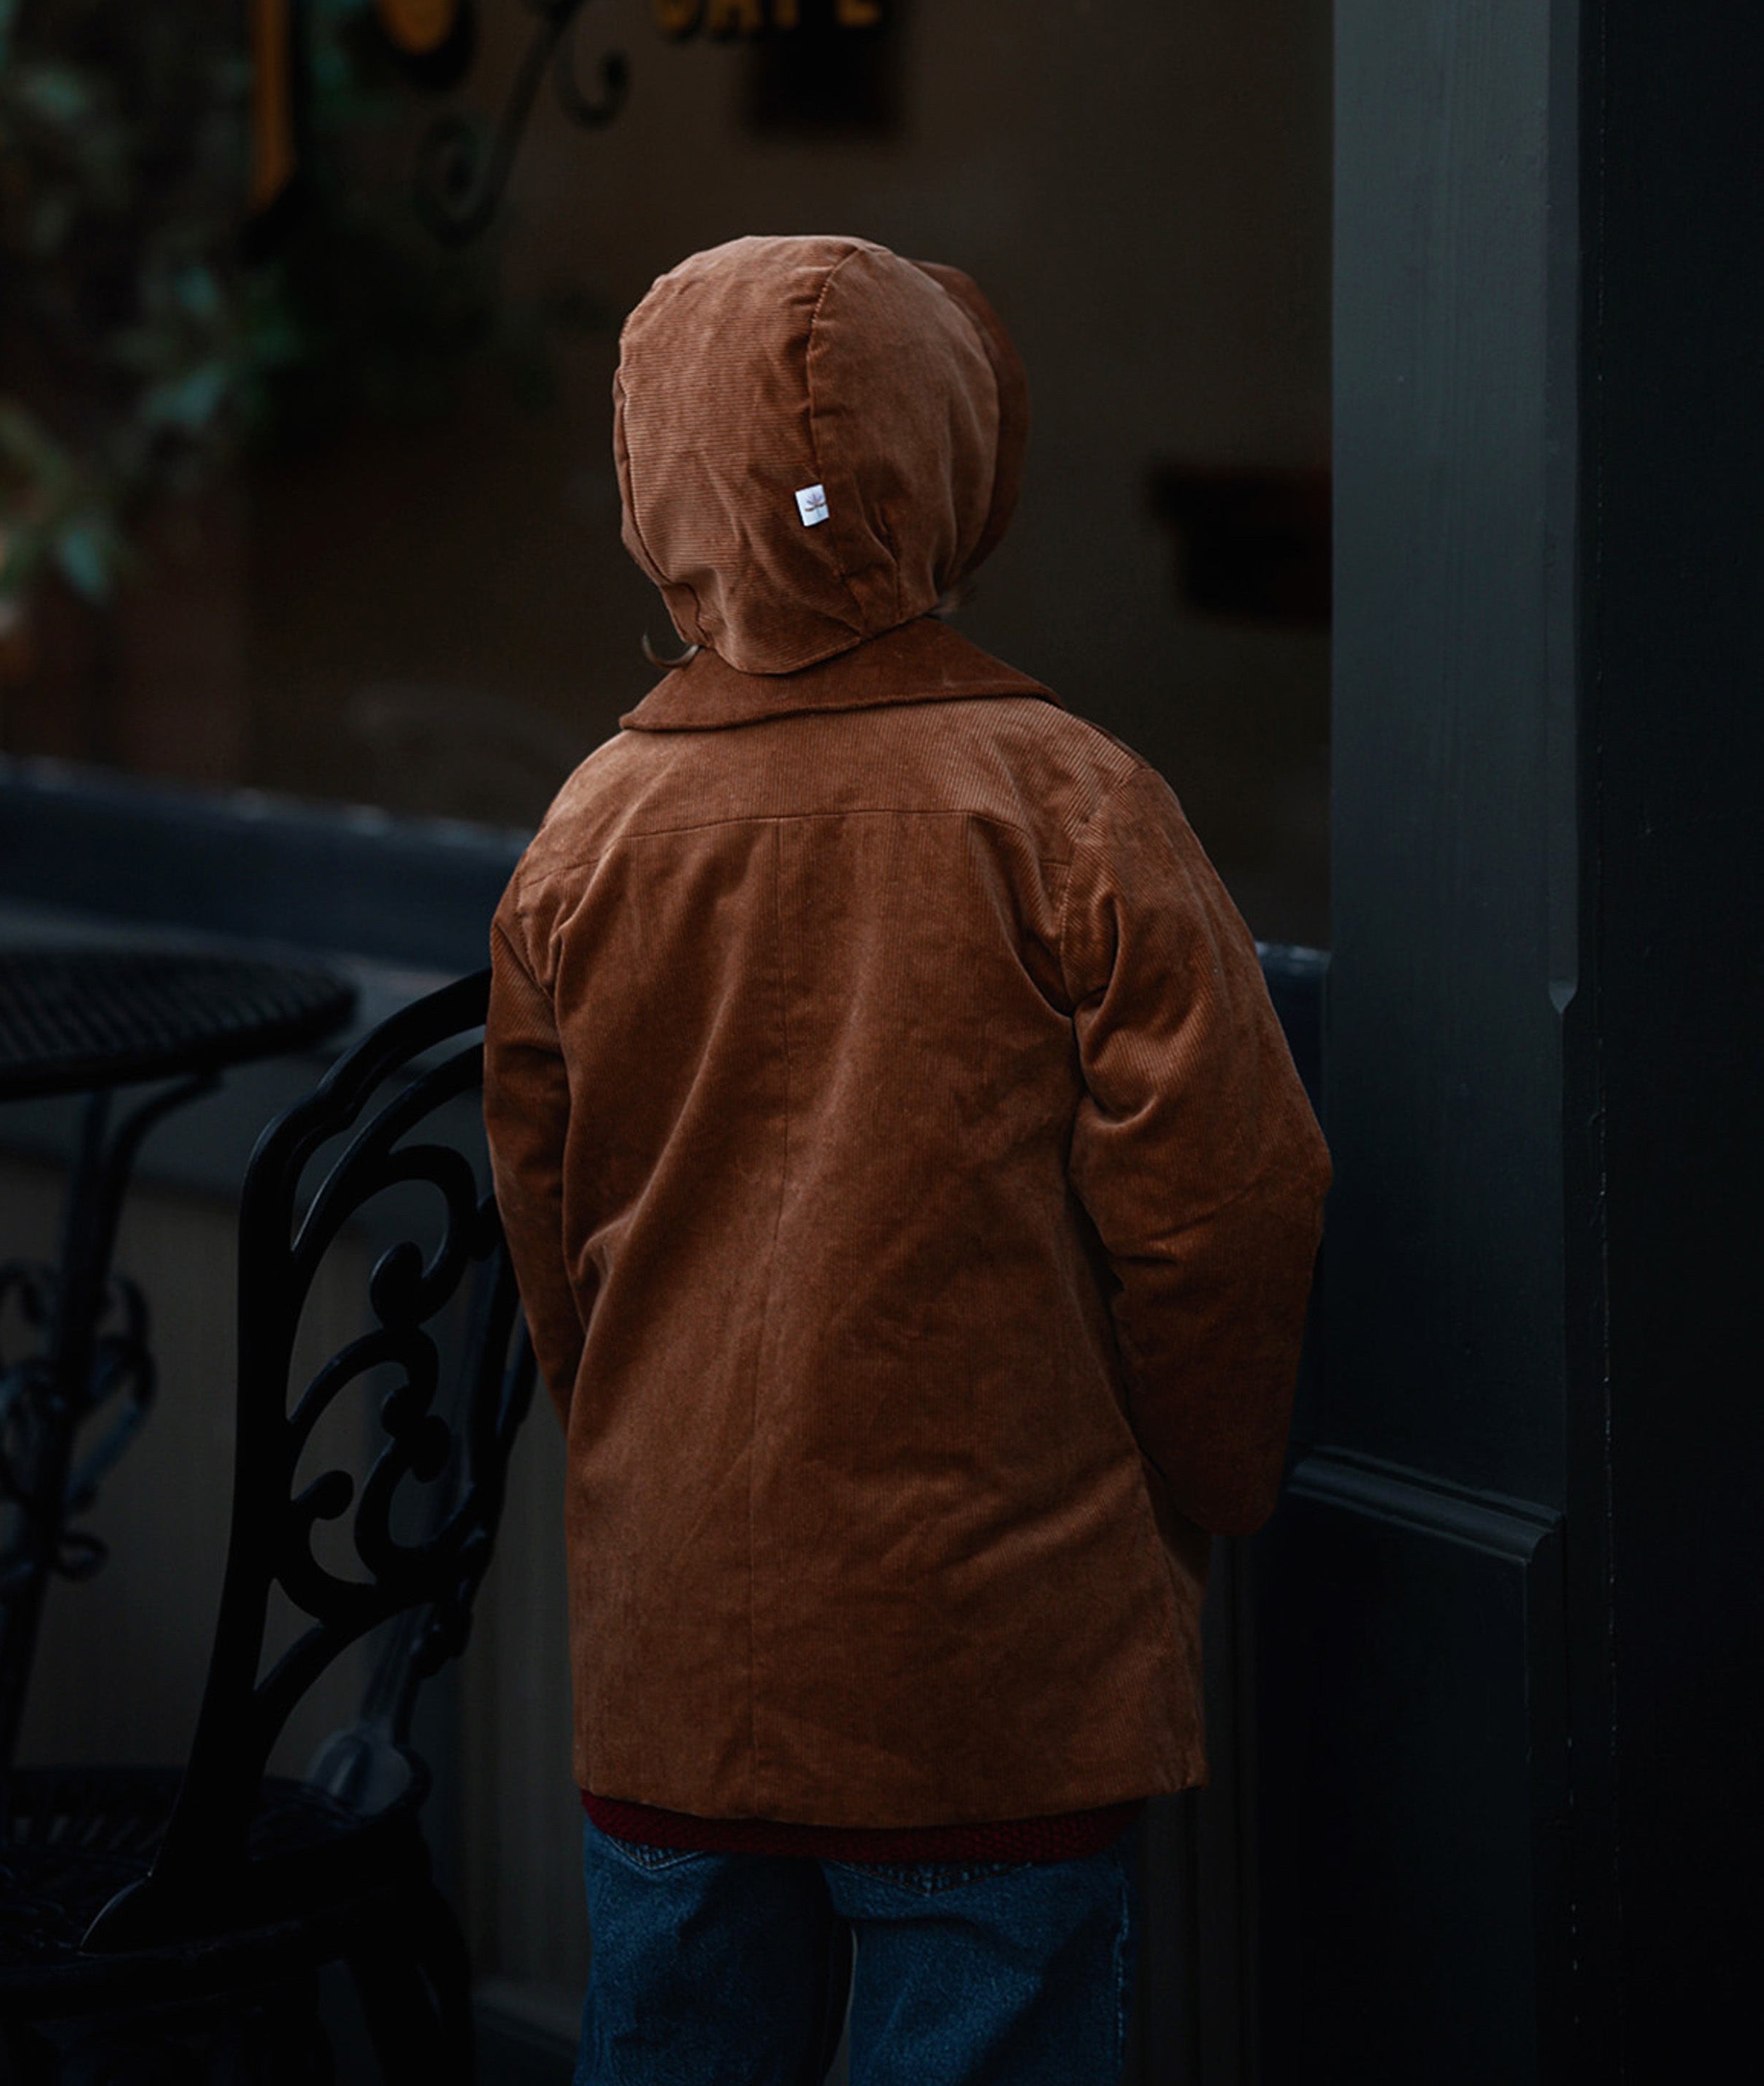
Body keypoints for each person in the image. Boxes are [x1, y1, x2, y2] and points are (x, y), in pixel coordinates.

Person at [482, 234, 1332, 2086]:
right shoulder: (1072, 804)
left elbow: (554, 1246)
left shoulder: (586, 835)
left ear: (658, 484)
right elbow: (1230, 1207)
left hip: (682, 1654)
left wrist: (652, 1471)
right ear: (957, 456)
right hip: (996, 1665)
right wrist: (1204, 1485)